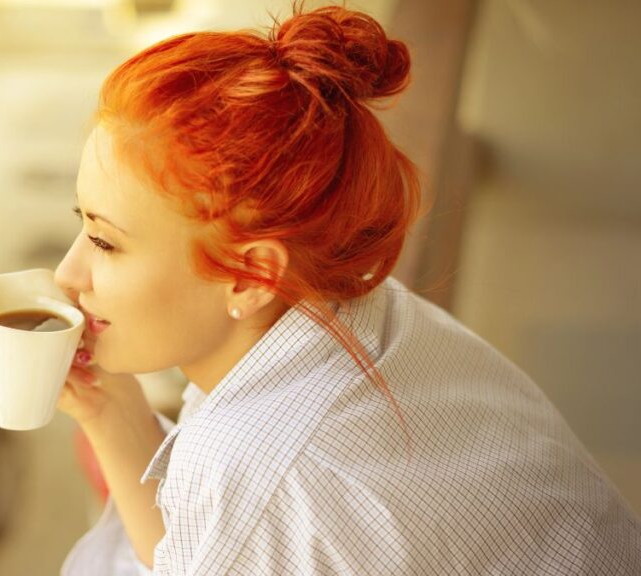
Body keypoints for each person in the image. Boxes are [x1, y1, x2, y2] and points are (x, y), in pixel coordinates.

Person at [52, 5, 641, 575]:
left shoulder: (268, 481)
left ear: (252, 274)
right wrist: (109, 410)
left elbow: (248, 521)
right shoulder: (370, 318)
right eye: (83, 222)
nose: (66, 274)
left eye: (105, 243)